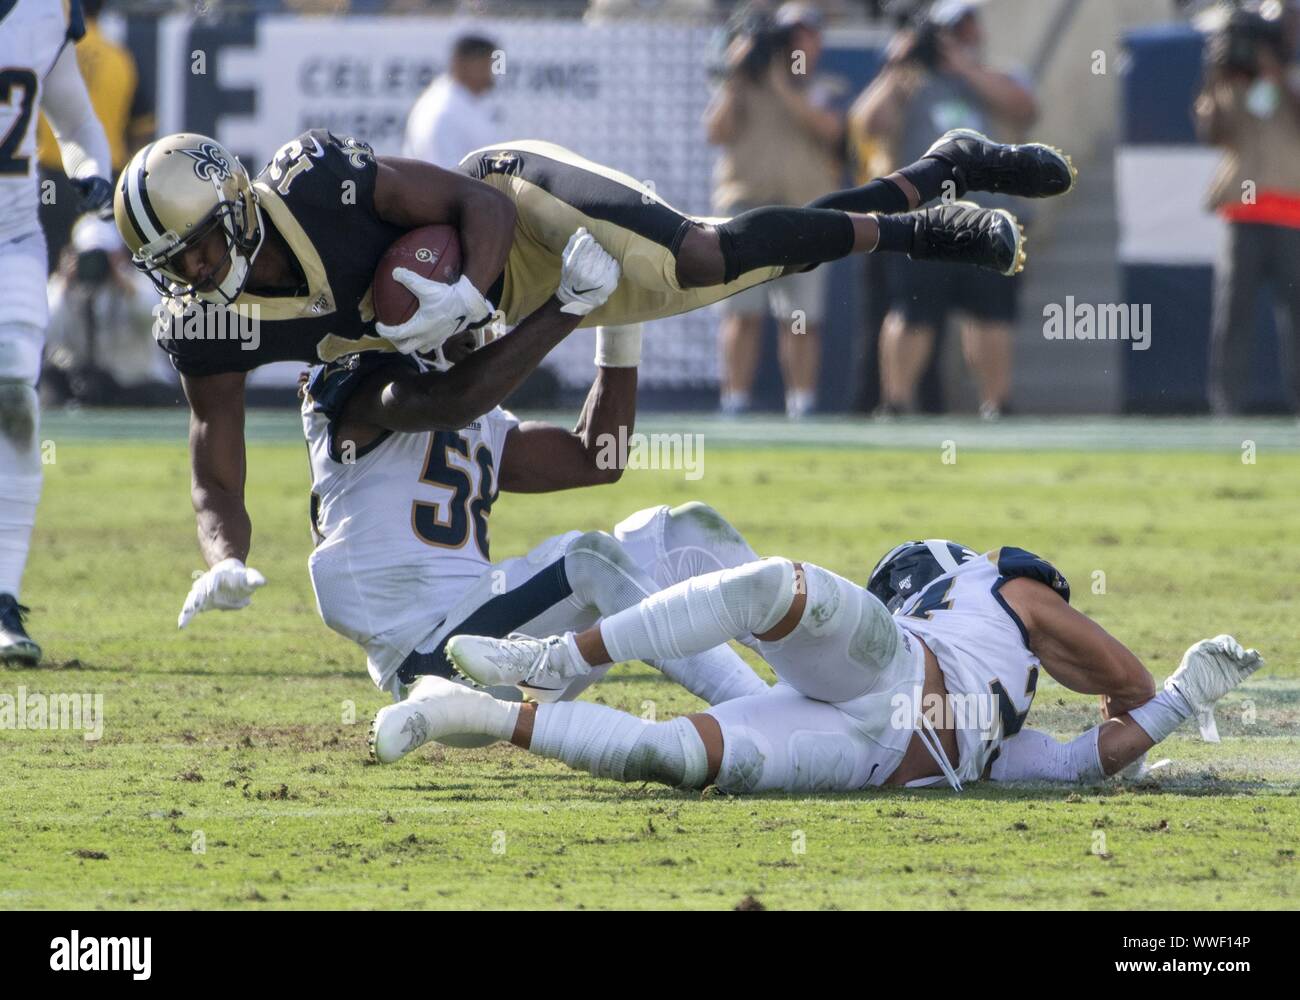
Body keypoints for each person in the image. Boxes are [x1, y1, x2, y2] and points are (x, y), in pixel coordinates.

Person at [112, 125, 1073, 629]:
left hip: (514, 209)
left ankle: (916, 230)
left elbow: (474, 199)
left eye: (197, 249)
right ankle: (936, 173)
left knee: (704, 257)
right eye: (174, 265)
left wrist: (479, 298)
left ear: (234, 206)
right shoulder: (209, 329)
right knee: (732, 272)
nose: (194, 274)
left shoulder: (318, 182)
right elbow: (216, 472)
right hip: (484, 311)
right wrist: (223, 555)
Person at [431, 538, 1261, 794]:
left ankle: (495, 716)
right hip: (893, 676)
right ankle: (547, 657)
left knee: (677, 758)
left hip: (865, 751)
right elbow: (1126, 690)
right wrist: (1168, 699)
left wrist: (1184, 696)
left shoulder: (1003, 613)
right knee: (771, 585)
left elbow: (1084, 761)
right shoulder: (1003, 597)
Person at [854, 0, 1043, 418]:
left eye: (968, 26)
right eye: (954, 29)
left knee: (991, 314)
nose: (964, 35)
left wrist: (965, 68)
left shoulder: (997, 75)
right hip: (925, 219)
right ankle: (897, 402)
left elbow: (1024, 107)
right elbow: (867, 123)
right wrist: (896, 64)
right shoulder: (907, 81)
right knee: (912, 312)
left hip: (988, 217)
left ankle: (997, 403)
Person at [0, 0, 114, 664]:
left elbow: (75, 121)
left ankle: (3, 597)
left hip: (11, 239)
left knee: (15, 394)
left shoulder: (44, 13)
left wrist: (90, 173)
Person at [706, 2, 846, 418]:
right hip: (748, 206)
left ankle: (801, 403)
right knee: (741, 311)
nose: (797, 44)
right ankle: (734, 400)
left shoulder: (828, 86)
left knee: (801, 317)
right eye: (790, 36)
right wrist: (735, 73)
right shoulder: (744, 86)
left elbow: (830, 130)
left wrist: (782, 84)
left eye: (805, 35)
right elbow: (716, 132)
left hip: (807, 211)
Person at [1195, 1, 1300, 415]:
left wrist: (1275, 74)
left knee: (1295, 317)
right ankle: (1226, 408)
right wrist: (1218, 74)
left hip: (1291, 213)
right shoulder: (1229, 83)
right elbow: (1212, 132)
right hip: (1243, 212)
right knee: (1233, 316)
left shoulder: (1288, 78)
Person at [36, 0, 150, 271]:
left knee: (51, 274)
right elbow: (141, 131)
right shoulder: (120, 59)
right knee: (107, 273)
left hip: (54, 179)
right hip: (106, 180)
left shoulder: (47, 53)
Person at [44, 214, 176, 407]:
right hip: (83, 384)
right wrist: (63, 284)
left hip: (137, 386)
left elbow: (156, 319)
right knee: (49, 386)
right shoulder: (63, 290)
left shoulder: (138, 285)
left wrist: (124, 283)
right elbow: (46, 332)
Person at [401, 34, 504, 171]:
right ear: (461, 64)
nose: (492, 74)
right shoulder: (443, 110)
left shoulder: (463, 102)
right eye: (487, 65)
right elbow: (443, 176)